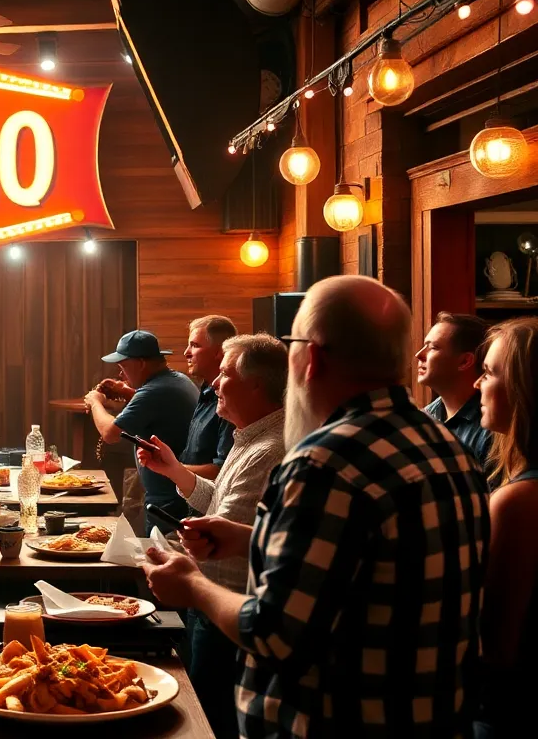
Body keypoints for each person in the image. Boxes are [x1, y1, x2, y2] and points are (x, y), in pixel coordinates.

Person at [143, 275, 490, 738]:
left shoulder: (325, 462)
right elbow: (371, 564)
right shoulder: (450, 448)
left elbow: (273, 631)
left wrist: (192, 585)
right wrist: (253, 538)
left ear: (313, 358)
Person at [135, 334, 287, 739]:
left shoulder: (270, 449)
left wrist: (173, 552)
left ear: (255, 385)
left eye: (224, 374)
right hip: (214, 602)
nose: (215, 383)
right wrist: (174, 469)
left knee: (209, 722)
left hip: (227, 612)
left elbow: (220, 529)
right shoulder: (249, 434)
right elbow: (218, 499)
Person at [474, 317, 538, 737]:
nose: (477, 384)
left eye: (489, 372)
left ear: (524, 390)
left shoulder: (519, 502)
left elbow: (495, 646)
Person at [83, 329, 198, 534]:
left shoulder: (153, 391)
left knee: (158, 550)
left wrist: (95, 402)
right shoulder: (177, 379)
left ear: (141, 363)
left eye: (123, 367)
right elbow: (153, 405)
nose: (121, 374)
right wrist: (125, 391)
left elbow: (110, 434)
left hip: (168, 498)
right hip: (178, 491)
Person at [417, 311, 494, 470]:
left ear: (464, 361)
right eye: (424, 346)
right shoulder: (424, 417)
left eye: (433, 347)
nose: (419, 355)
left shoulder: (493, 428)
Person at [181, 315, 237, 479]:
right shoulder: (206, 389)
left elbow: (223, 470)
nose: (186, 353)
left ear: (219, 352)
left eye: (194, 345)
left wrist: (171, 469)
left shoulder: (232, 398)